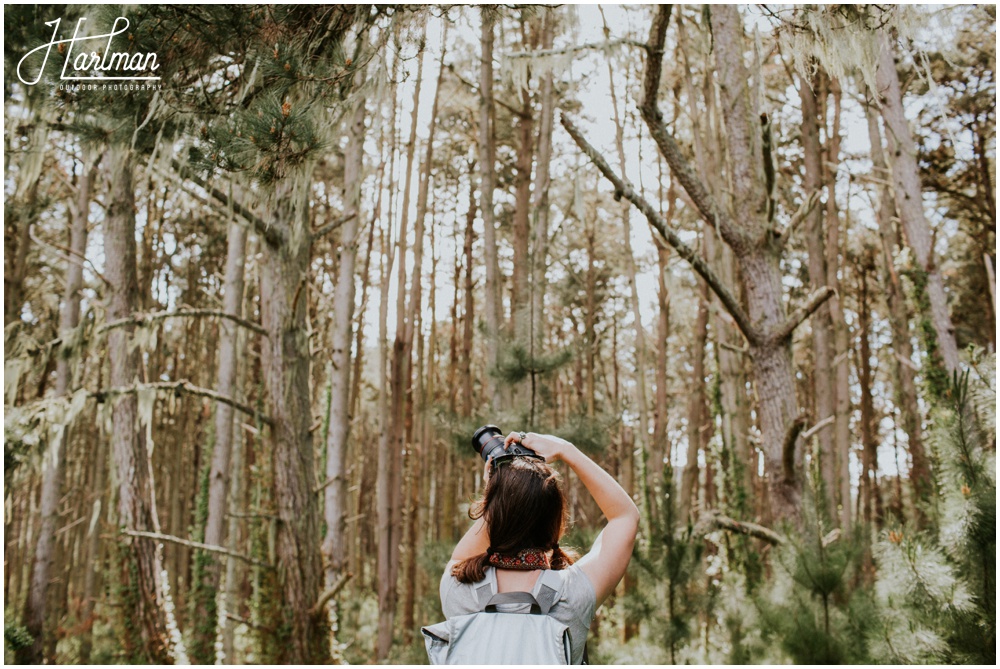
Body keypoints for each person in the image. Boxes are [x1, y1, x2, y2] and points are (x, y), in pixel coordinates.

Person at [439, 431, 639, 664]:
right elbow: (625, 517)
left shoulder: (458, 589)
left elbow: (475, 544)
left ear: (493, 512)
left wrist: (499, 488)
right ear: (555, 522)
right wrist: (566, 449)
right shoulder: (572, 596)